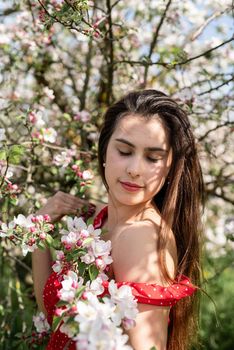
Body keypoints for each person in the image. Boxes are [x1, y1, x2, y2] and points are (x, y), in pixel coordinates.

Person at [32, 89, 204, 350]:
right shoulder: (100, 218)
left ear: (169, 167)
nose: (135, 170)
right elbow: (55, 315)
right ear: (104, 152)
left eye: (153, 158)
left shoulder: (140, 237)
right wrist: (38, 225)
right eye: (124, 151)